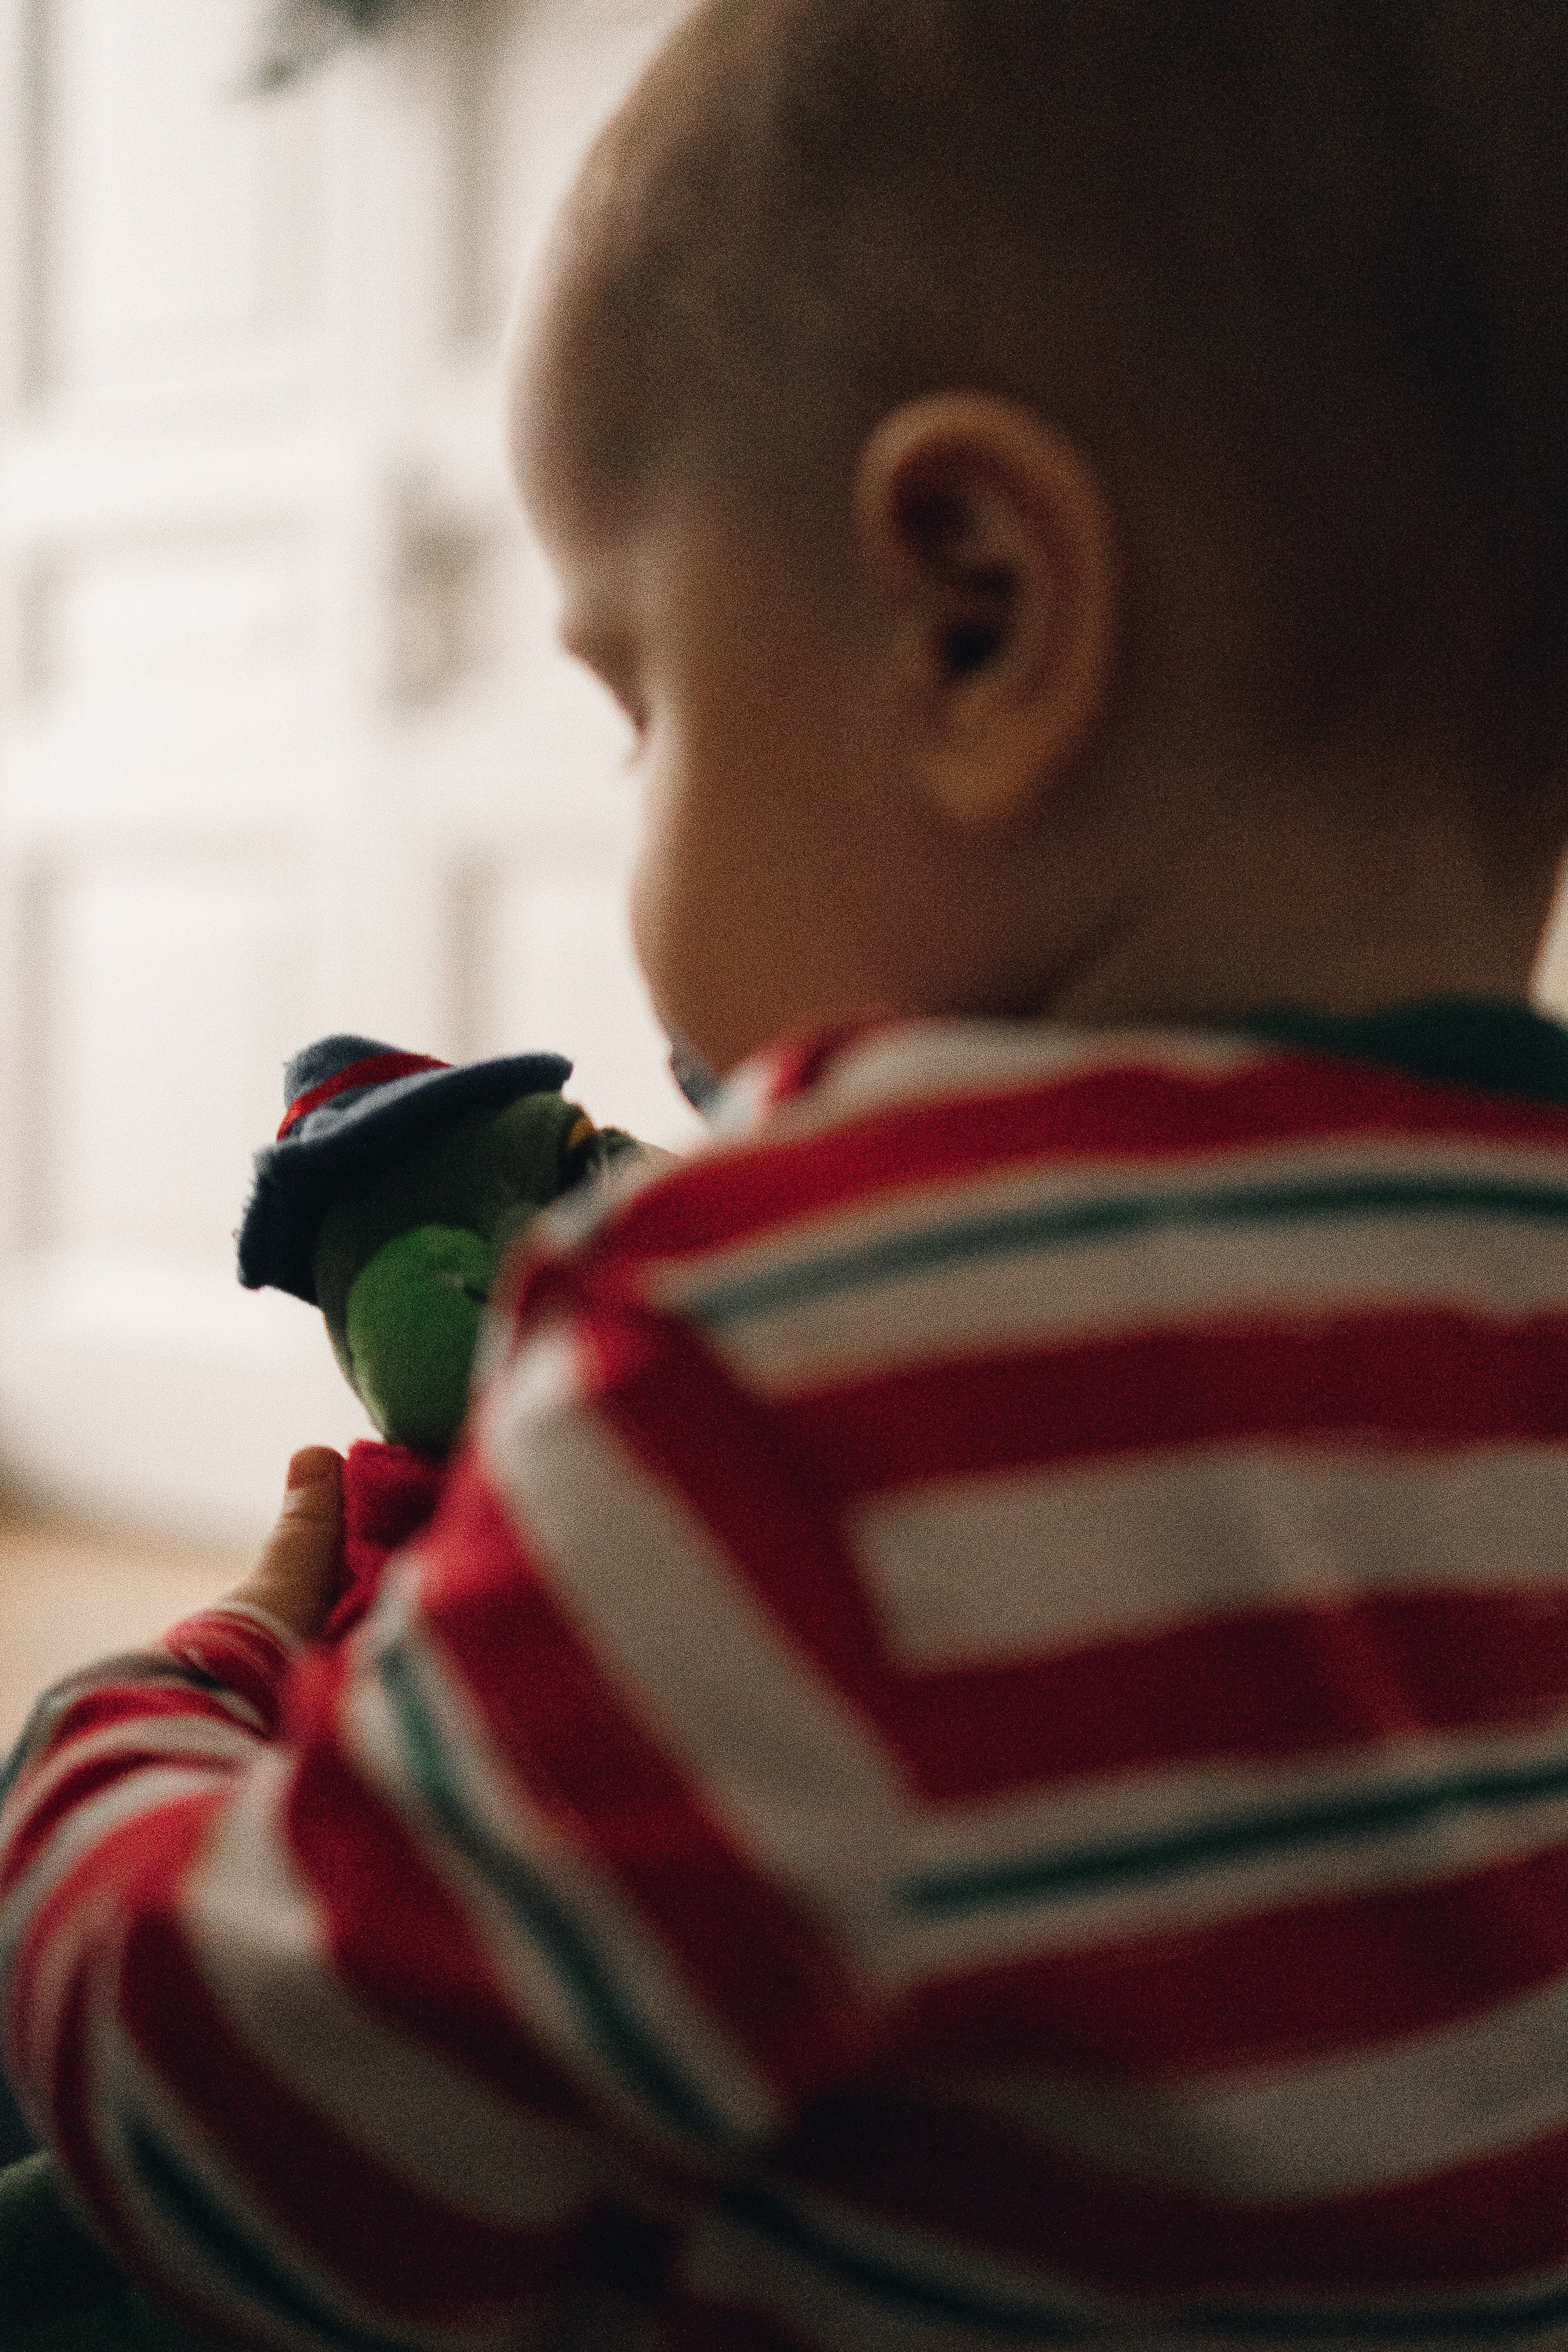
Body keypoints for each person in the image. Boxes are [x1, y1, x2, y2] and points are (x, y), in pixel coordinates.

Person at [6, 1, 1568, 2343]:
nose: (631, 804)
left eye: (644, 699)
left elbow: (274, 2143)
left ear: (974, 615)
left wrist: (150, 1717)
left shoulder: (789, 1353)